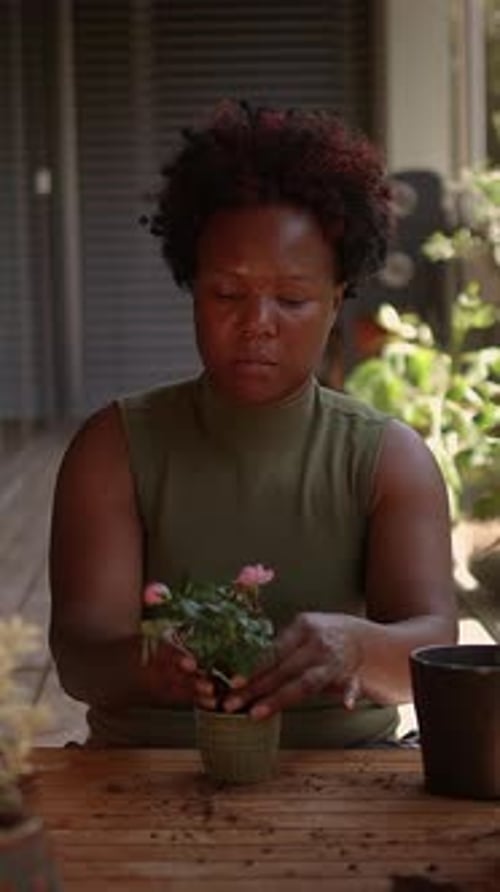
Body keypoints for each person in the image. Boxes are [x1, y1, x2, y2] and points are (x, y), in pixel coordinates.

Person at [49, 100, 457, 748]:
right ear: (192, 286)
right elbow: (79, 654)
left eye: (292, 298)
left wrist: (354, 648)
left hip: (345, 777)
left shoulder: (387, 459)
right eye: (226, 294)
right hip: (146, 776)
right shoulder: (115, 449)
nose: (257, 322)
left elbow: (433, 644)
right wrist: (153, 665)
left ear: (338, 296)